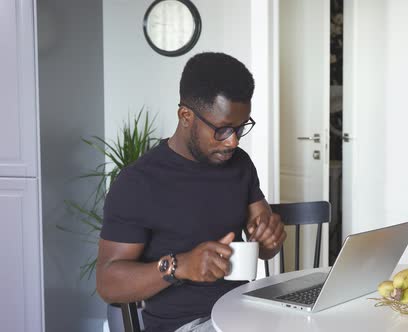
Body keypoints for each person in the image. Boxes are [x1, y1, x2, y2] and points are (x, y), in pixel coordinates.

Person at [96, 52, 286, 332]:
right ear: (186, 115)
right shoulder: (138, 182)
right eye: (222, 130)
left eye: (240, 128)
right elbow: (108, 283)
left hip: (243, 314)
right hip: (185, 325)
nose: (232, 141)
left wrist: (270, 238)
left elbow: (268, 247)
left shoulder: (241, 165)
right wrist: (179, 266)